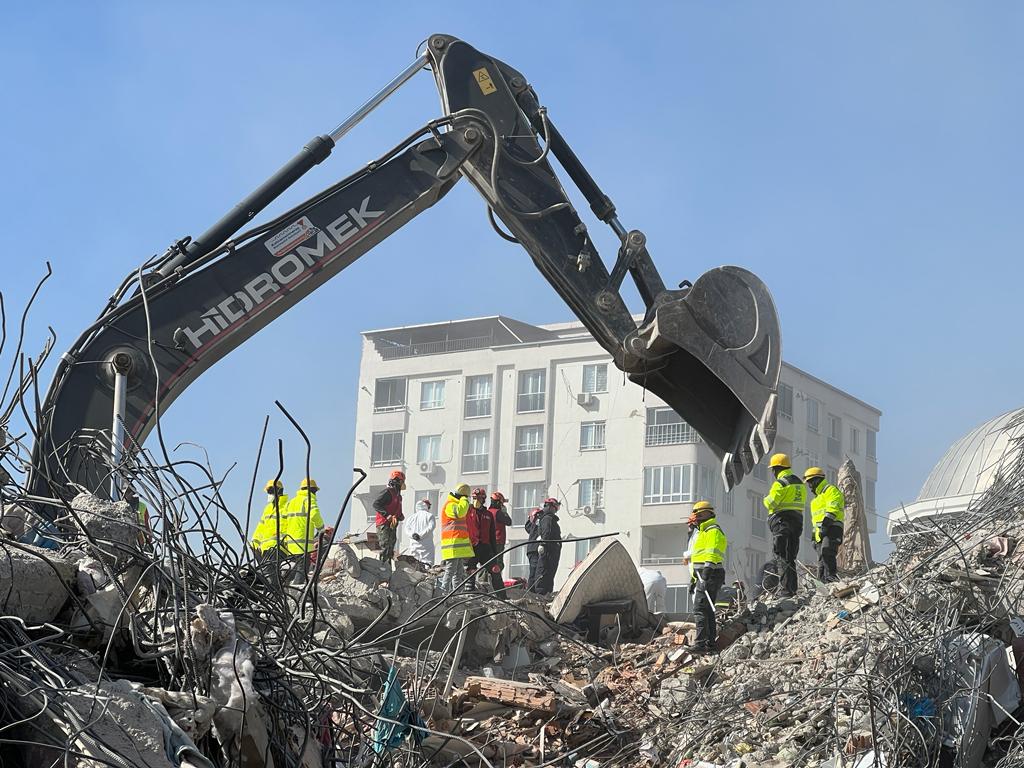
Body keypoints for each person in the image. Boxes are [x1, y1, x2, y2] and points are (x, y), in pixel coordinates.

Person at [763, 453, 807, 597]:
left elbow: (772, 502)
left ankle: (785, 590)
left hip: (782, 521)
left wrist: (765, 500)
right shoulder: (799, 483)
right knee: (791, 557)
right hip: (797, 521)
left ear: (776, 468)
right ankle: (792, 589)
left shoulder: (780, 483)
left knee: (781, 556)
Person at [688, 500, 728, 654]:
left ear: (707, 514)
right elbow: (698, 559)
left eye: (698, 515)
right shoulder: (703, 532)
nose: (696, 518)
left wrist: (705, 576)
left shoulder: (712, 530)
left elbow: (712, 554)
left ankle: (700, 644)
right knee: (707, 610)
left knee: (700, 609)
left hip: (710, 574)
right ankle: (709, 644)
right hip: (705, 575)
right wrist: (694, 580)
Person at [804, 467, 846, 582]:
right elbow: (815, 521)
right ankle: (822, 582)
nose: (809, 486)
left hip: (833, 527)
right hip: (821, 533)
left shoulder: (830, 490)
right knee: (821, 559)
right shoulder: (815, 501)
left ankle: (832, 577)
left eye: (810, 483)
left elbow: (833, 508)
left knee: (827, 551)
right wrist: (814, 537)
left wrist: (825, 525)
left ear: (816, 480)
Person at [283, 477, 326, 583]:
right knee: (303, 568)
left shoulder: (291, 502)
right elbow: (315, 514)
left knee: (296, 566)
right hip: (302, 543)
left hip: (291, 543)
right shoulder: (308, 500)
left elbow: (283, 522)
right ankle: (297, 592)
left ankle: (283, 583)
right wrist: (321, 529)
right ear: (312, 490)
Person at [439, 483, 474, 594]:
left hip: (456, 546)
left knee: (458, 572)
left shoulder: (453, 504)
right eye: (465, 496)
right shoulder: (450, 505)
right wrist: (464, 500)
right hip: (452, 544)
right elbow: (460, 512)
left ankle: (457, 594)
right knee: (450, 570)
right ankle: (443, 593)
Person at [467, 488, 502, 591]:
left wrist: (495, 553)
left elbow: (492, 535)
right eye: (474, 498)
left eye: (479, 498)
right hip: (471, 547)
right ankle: (469, 594)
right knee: (471, 571)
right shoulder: (468, 512)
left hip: (485, 547)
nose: (476, 500)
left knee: (495, 569)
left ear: (483, 499)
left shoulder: (488, 514)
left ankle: (502, 596)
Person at [373, 470, 406, 565]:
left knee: (391, 548)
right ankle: (382, 570)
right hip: (383, 524)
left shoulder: (398, 496)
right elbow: (376, 504)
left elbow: (398, 510)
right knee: (386, 547)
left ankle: (388, 570)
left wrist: (400, 516)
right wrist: (387, 515)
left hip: (392, 525)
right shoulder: (387, 492)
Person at [532, 498, 563, 596]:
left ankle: (546, 594)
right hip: (549, 550)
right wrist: (543, 544)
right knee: (544, 572)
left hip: (552, 550)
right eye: (555, 508)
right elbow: (547, 532)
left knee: (548, 573)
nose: (556, 510)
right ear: (550, 507)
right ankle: (541, 594)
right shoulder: (547, 518)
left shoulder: (547, 518)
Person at [250, 479, 290, 554]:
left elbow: (292, 527)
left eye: (270, 491)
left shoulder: (287, 507)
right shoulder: (267, 509)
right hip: (265, 549)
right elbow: (260, 527)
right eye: (268, 492)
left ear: (278, 491)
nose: (269, 494)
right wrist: (254, 543)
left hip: (279, 549)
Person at [400, 498, 436, 567]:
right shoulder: (430, 516)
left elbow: (407, 529)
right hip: (426, 545)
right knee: (427, 564)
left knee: (414, 565)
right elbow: (431, 528)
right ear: (426, 506)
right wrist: (421, 536)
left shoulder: (411, 517)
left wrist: (413, 535)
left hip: (414, 544)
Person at [489, 491, 512, 574]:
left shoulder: (488, 512)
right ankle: (496, 582)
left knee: (488, 563)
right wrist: (505, 512)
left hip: (488, 542)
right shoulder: (498, 513)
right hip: (498, 542)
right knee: (498, 564)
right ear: (499, 502)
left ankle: (485, 581)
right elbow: (509, 522)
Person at [525, 507, 542, 590]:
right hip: (534, 550)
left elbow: (527, 527)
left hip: (532, 550)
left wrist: (530, 519)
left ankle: (532, 590)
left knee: (535, 571)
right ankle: (531, 591)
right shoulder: (536, 524)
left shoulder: (533, 525)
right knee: (534, 571)